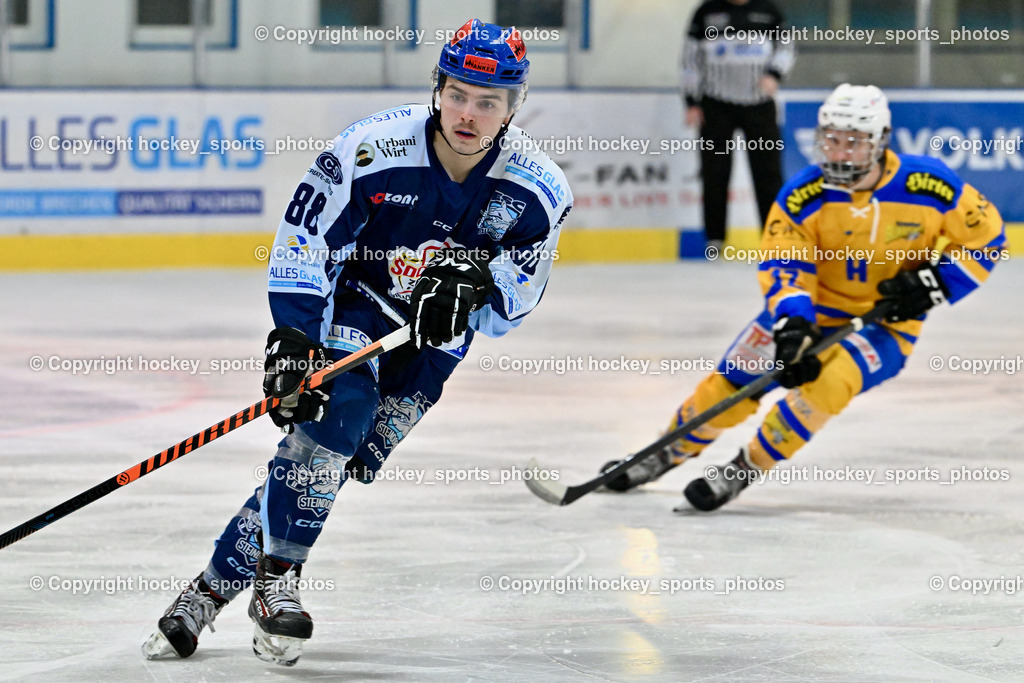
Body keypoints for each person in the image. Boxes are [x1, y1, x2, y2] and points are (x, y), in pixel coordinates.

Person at [142, 18, 571, 666]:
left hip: (431, 344)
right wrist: (294, 338)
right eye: (458, 93)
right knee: (336, 422)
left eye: (489, 102)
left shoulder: (537, 191)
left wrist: (479, 284)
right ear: (438, 88)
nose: (469, 113)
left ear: (515, 106)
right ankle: (278, 584)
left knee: (330, 467)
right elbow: (305, 240)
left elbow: (518, 294)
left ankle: (203, 594)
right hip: (358, 306)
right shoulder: (373, 150)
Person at [603, 83, 1005, 511]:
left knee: (827, 386)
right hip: (811, 312)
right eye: (831, 140)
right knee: (733, 381)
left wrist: (936, 284)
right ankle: (665, 452)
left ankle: (745, 467)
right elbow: (785, 264)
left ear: (881, 142)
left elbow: (988, 237)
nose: (839, 152)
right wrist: (794, 325)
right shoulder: (802, 195)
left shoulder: (930, 186)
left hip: (886, 325)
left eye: (853, 142)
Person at [681, 0, 794, 250]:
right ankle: (715, 240)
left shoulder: (769, 11)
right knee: (715, 173)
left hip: (759, 104)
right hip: (716, 105)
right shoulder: (706, 12)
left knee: (768, 174)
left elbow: (786, 48)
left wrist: (774, 74)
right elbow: (691, 58)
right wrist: (691, 100)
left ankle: (774, 239)